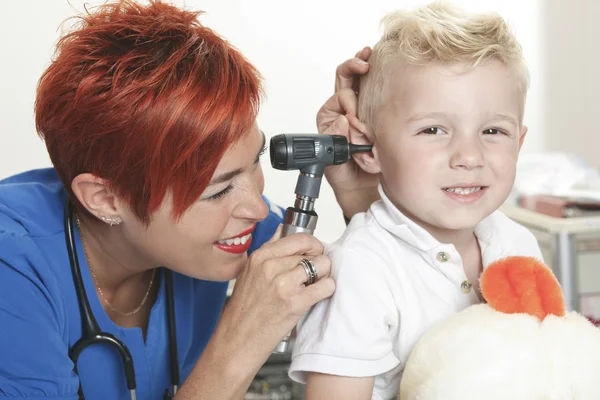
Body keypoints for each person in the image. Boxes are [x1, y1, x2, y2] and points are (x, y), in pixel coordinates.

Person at [0, 1, 376, 399]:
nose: (259, 208)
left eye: (255, 162)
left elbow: (389, 294)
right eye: (217, 191)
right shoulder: (13, 269)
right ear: (105, 199)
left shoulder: (241, 232)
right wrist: (239, 341)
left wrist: (356, 193)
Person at [288, 3, 544, 399]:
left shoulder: (518, 246)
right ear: (367, 147)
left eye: (493, 130)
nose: (469, 156)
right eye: (433, 129)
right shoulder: (362, 270)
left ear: (519, 144)